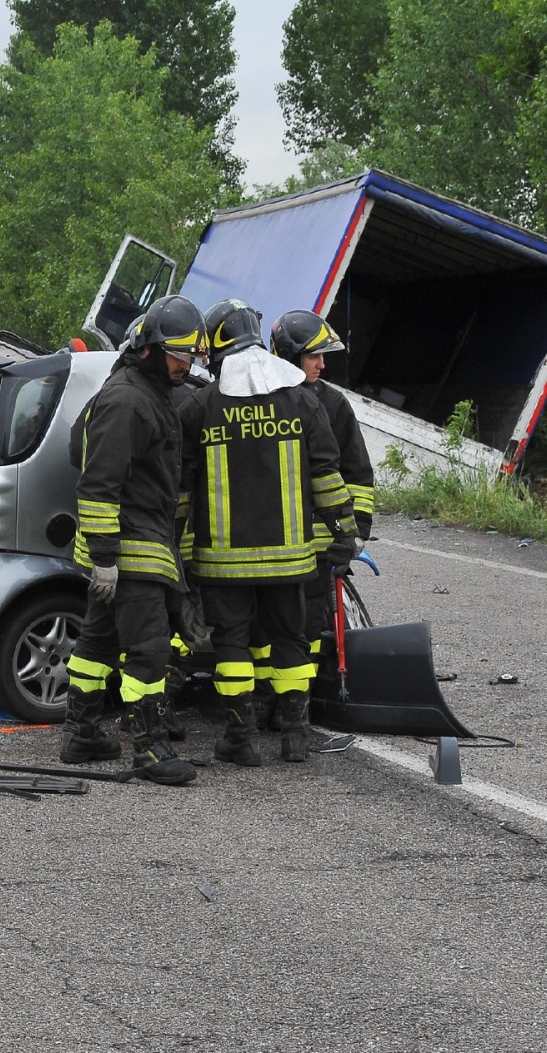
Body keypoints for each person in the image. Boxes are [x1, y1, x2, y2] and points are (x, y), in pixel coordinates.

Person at [177, 299, 359, 766]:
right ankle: (295, 736)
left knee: (233, 644)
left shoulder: (199, 407)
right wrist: (346, 532)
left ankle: (241, 739)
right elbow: (327, 473)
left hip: (223, 563)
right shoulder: (302, 401)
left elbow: (182, 487)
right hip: (292, 559)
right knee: (292, 640)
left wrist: (177, 549)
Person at [62, 295, 204, 784]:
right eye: (178, 354)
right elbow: (98, 482)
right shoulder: (128, 399)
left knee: (96, 643)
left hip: (126, 546)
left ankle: (80, 735)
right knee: (149, 649)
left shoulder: (144, 390)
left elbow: (76, 444)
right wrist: (105, 557)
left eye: (191, 356)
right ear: (148, 348)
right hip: (128, 548)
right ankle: (150, 751)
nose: (186, 365)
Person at [270, 308, 375, 666]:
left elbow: (357, 474)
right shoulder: (262, 399)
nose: (321, 365)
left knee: (311, 624)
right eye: (313, 356)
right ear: (288, 356)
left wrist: (356, 533)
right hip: (272, 545)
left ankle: (306, 694)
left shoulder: (333, 405)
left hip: (320, 547)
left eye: (322, 356)